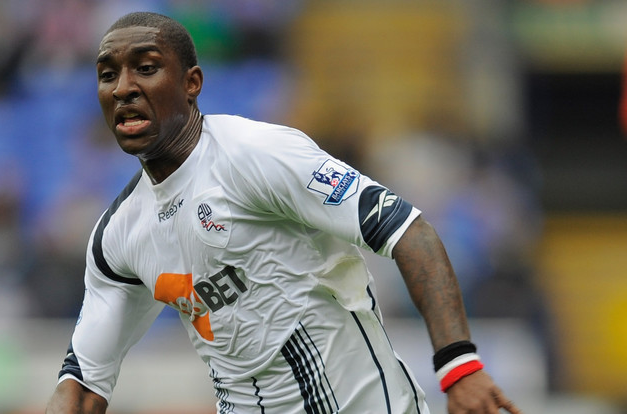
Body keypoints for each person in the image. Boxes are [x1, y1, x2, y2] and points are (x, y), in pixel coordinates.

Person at [45, 11, 521, 414]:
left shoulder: (258, 155)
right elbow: (85, 384)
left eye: (145, 68)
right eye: (108, 75)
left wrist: (459, 365)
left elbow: (409, 232)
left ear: (192, 83)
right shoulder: (118, 237)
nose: (123, 88)